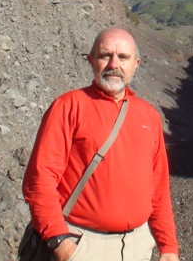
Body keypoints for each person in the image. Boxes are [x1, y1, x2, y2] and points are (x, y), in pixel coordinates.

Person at [22, 28, 179, 261]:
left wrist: (168, 247)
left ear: (136, 64)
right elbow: (40, 180)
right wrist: (60, 242)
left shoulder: (149, 116)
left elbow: (159, 189)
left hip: (138, 246)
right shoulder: (68, 107)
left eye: (123, 57)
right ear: (91, 60)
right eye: (106, 55)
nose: (114, 64)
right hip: (82, 244)